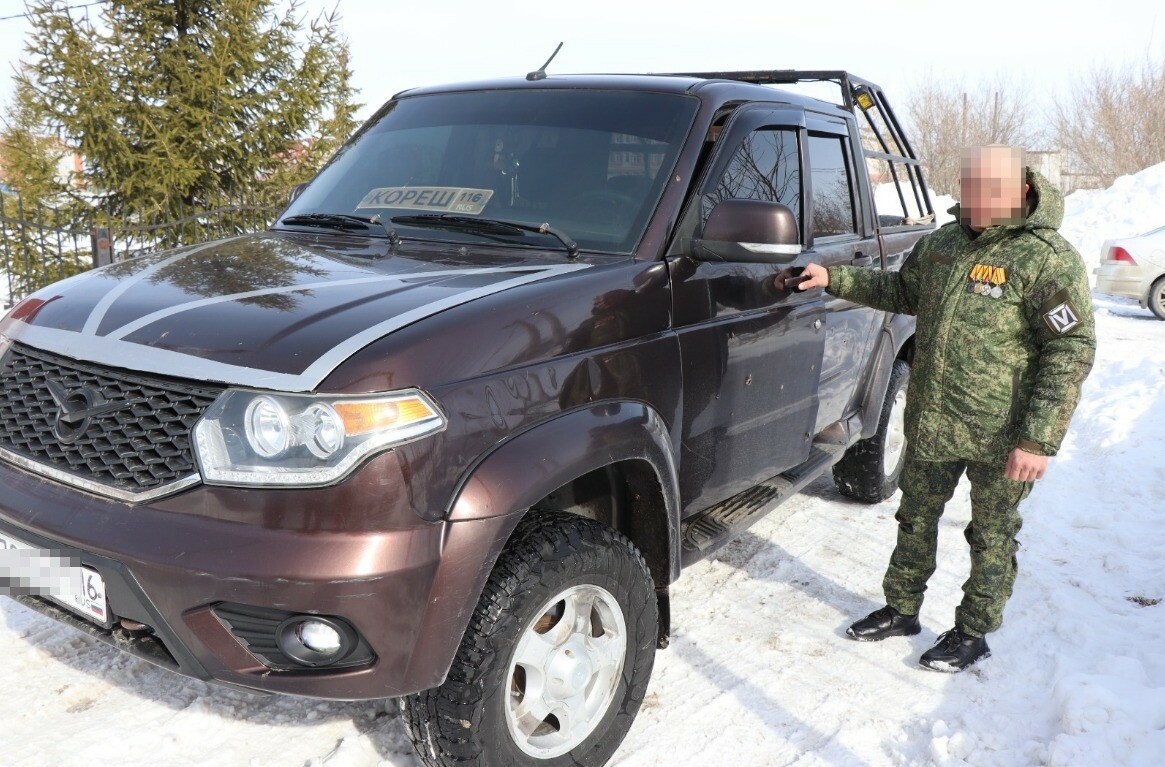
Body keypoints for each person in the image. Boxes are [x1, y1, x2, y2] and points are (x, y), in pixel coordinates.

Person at [796, 145, 1096, 672]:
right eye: (970, 187)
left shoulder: (1048, 259)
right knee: (915, 518)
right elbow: (902, 291)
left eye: (988, 190)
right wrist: (834, 279)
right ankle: (901, 609)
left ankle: (973, 632)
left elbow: (1071, 348)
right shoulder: (943, 245)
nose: (974, 200)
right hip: (934, 423)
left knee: (991, 534)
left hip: (1001, 435)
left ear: (1021, 191)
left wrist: (1038, 440)